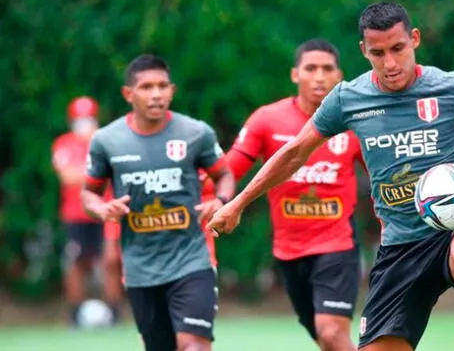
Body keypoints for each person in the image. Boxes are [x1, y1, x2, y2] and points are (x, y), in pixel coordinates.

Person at [207, 2, 454, 351]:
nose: (391, 63)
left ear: (414, 38)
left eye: (398, 48)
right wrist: (239, 203)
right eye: (378, 53)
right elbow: (294, 153)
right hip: (400, 247)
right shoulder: (348, 99)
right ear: (364, 51)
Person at [81, 54, 235, 351]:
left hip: (192, 262)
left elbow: (224, 174)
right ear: (129, 94)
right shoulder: (106, 141)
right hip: (140, 270)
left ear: (172, 91)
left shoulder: (196, 133)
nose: (156, 94)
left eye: (162, 86)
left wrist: (221, 200)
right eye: (147, 87)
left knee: (194, 345)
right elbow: (89, 192)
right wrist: (101, 209)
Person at [223, 39, 364, 351]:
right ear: (294, 74)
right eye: (310, 68)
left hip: (338, 245)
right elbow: (228, 169)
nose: (319, 76)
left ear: (339, 75)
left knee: (331, 333)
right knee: (325, 339)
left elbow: (382, 178)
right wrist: (214, 199)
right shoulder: (267, 119)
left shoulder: (354, 122)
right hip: (289, 251)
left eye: (327, 69)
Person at [51, 96, 122, 326]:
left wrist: (89, 173)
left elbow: (115, 172)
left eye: (88, 117)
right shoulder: (63, 143)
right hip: (75, 215)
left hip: (105, 211)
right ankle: (74, 314)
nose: (85, 122)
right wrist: (97, 173)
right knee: (76, 262)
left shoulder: (105, 142)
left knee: (111, 260)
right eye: (80, 118)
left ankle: (114, 313)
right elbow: (67, 176)